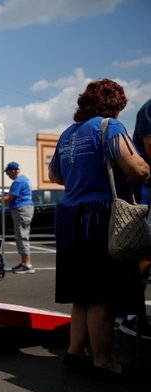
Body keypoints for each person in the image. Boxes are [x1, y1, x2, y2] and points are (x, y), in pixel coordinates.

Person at [48, 79, 149, 377]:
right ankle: (103, 360)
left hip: (69, 217)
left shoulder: (67, 134)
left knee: (82, 293)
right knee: (102, 294)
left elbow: (55, 175)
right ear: (114, 104)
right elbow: (137, 169)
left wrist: (81, 176)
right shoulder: (110, 128)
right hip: (99, 217)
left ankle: (74, 351)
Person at [122, 98, 151, 339]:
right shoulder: (149, 108)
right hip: (144, 194)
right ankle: (133, 316)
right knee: (142, 257)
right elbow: (149, 145)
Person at [0, 161, 34, 273]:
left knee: (22, 236)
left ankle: (27, 264)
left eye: (8, 172)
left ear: (14, 171)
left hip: (21, 210)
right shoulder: (24, 179)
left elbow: (8, 198)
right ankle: (24, 262)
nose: (7, 175)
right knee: (21, 236)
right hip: (24, 209)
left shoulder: (18, 181)